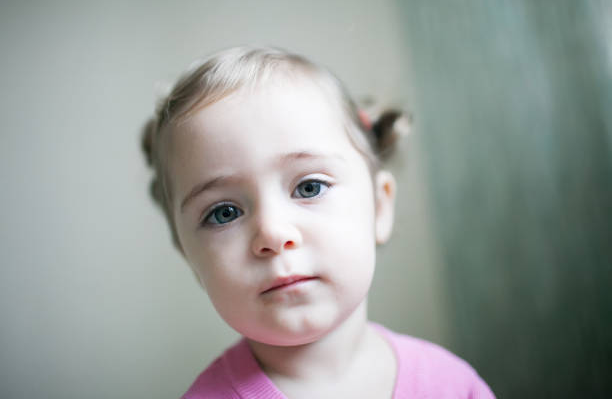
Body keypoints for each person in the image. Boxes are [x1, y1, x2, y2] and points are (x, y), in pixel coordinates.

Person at [141, 47, 495, 398]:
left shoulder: (452, 386)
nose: (274, 234)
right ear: (189, 256)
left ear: (380, 205)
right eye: (224, 212)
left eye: (309, 187)